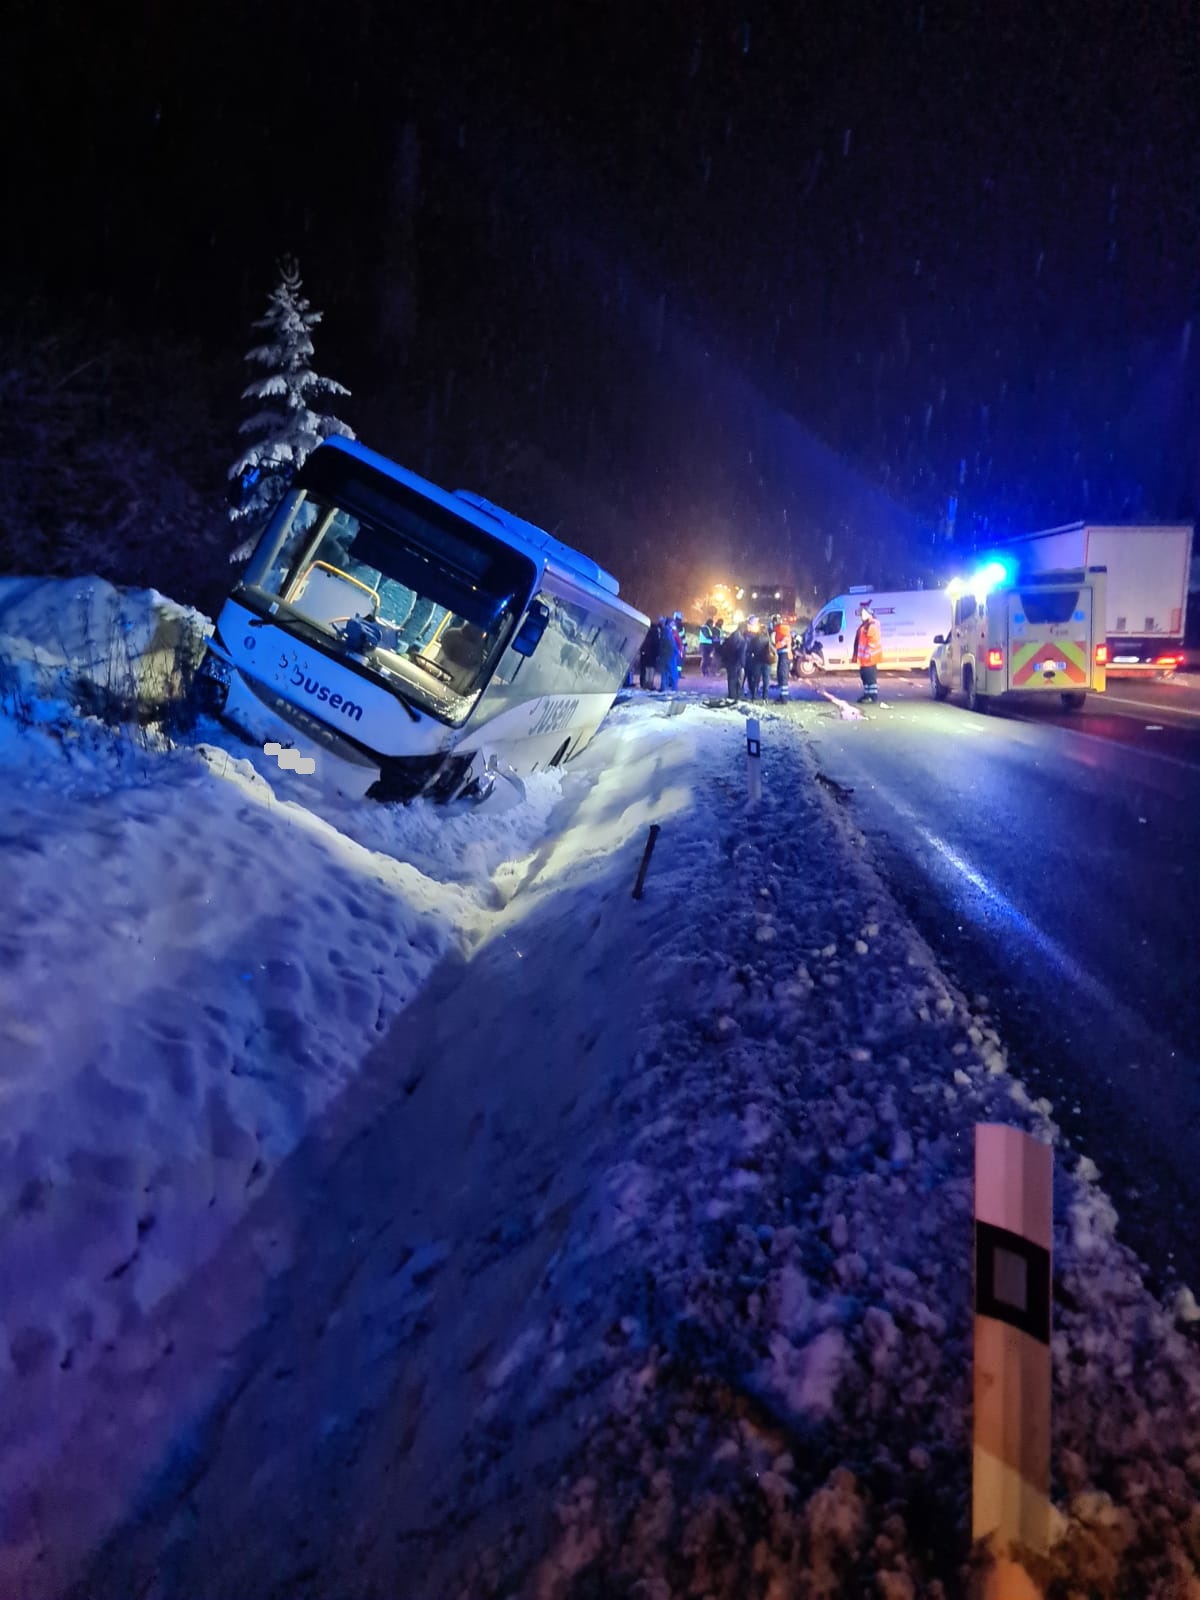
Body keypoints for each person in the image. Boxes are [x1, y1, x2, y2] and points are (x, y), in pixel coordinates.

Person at [853, 600, 883, 704]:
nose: (860, 615)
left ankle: (872, 696)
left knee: (870, 678)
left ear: (867, 613)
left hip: (870, 658)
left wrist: (867, 654)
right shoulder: (866, 624)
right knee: (865, 676)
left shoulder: (871, 625)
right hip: (865, 658)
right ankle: (867, 695)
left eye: (862, 613)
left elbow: (872, 641)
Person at [720, 620, 749, 701]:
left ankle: (731, 695)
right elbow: (741, 653)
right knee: (736, 679)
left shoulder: (733, 635)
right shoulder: (741, 639)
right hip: (736, 662)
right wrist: (743, 664)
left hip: (730, 661)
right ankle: (735, 696)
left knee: (731, 678)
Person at [747, 619, 772, 700]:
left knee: (756, 679)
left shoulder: (754, 639)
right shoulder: (768, 640)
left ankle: (754, 696)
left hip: (757, 661)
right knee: (766, 680)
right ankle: (765, 697)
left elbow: (750, 650)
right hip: (767, 662)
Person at [770, 614, 790, 696]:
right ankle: (781, 689)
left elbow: (785, 640)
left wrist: (776, 646)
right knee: (780, 672)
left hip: (785, 654)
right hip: (783, 654)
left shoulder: (782, 628)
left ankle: (784, 697)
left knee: (783, 673)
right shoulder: (780, 629)